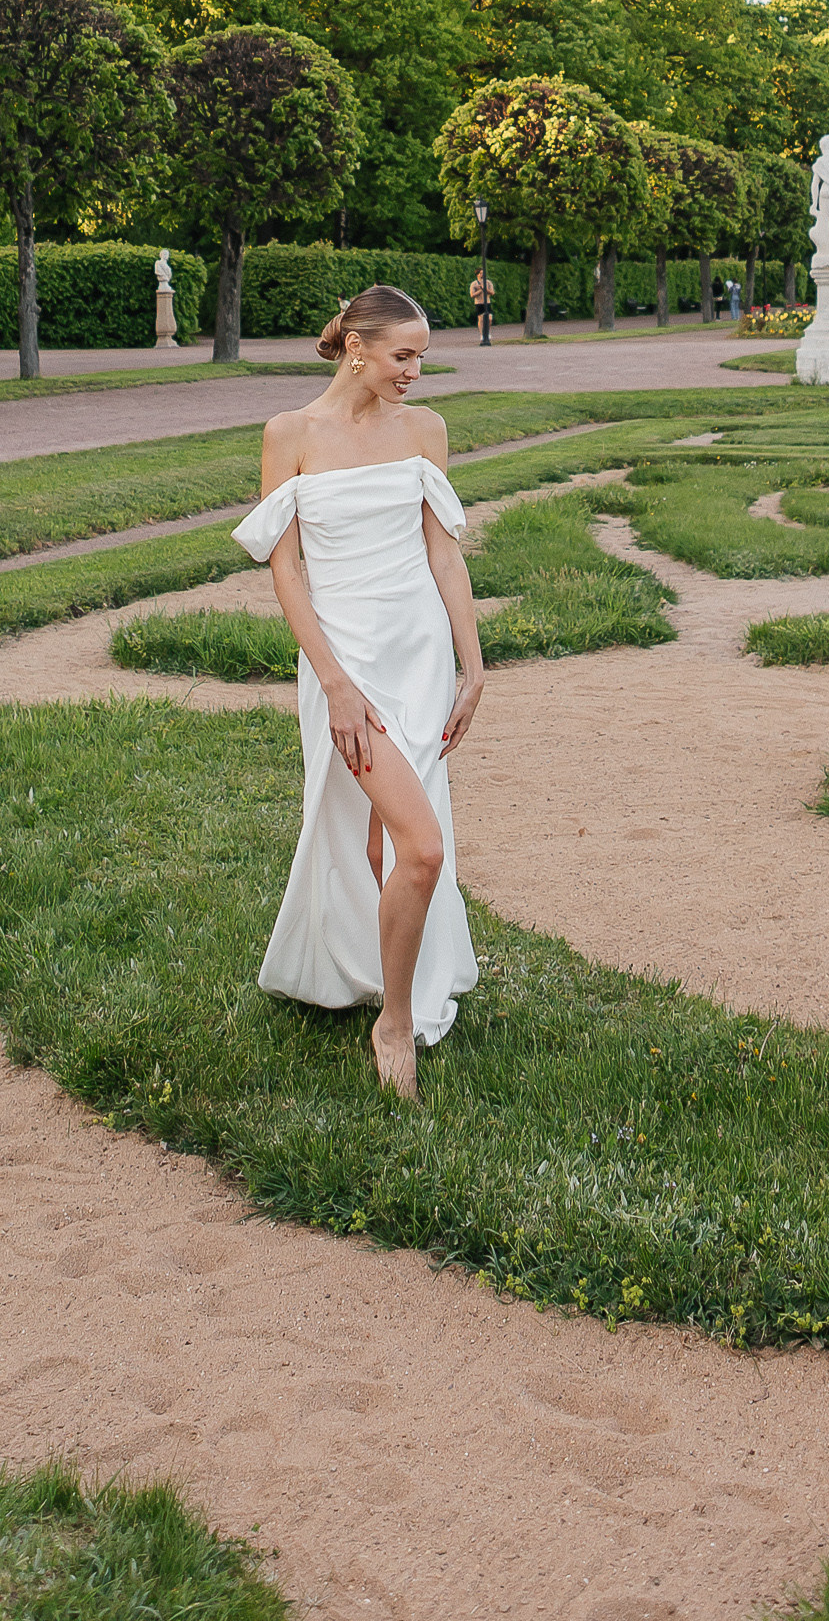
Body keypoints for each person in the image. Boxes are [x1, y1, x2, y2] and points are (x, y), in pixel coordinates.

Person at [232, 283, 484, 1100]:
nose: (416, 371)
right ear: (356, 348)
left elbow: (444, 554)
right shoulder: (289, 435)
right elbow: (287, 572)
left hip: (420, 657)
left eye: (421, 357)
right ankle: (394, 1022)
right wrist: (334, 681)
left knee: (389, 847)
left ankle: (379, 982)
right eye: (403, 356)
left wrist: (473, 664)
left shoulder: (426, 430)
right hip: (344, 666)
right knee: (423, 847)